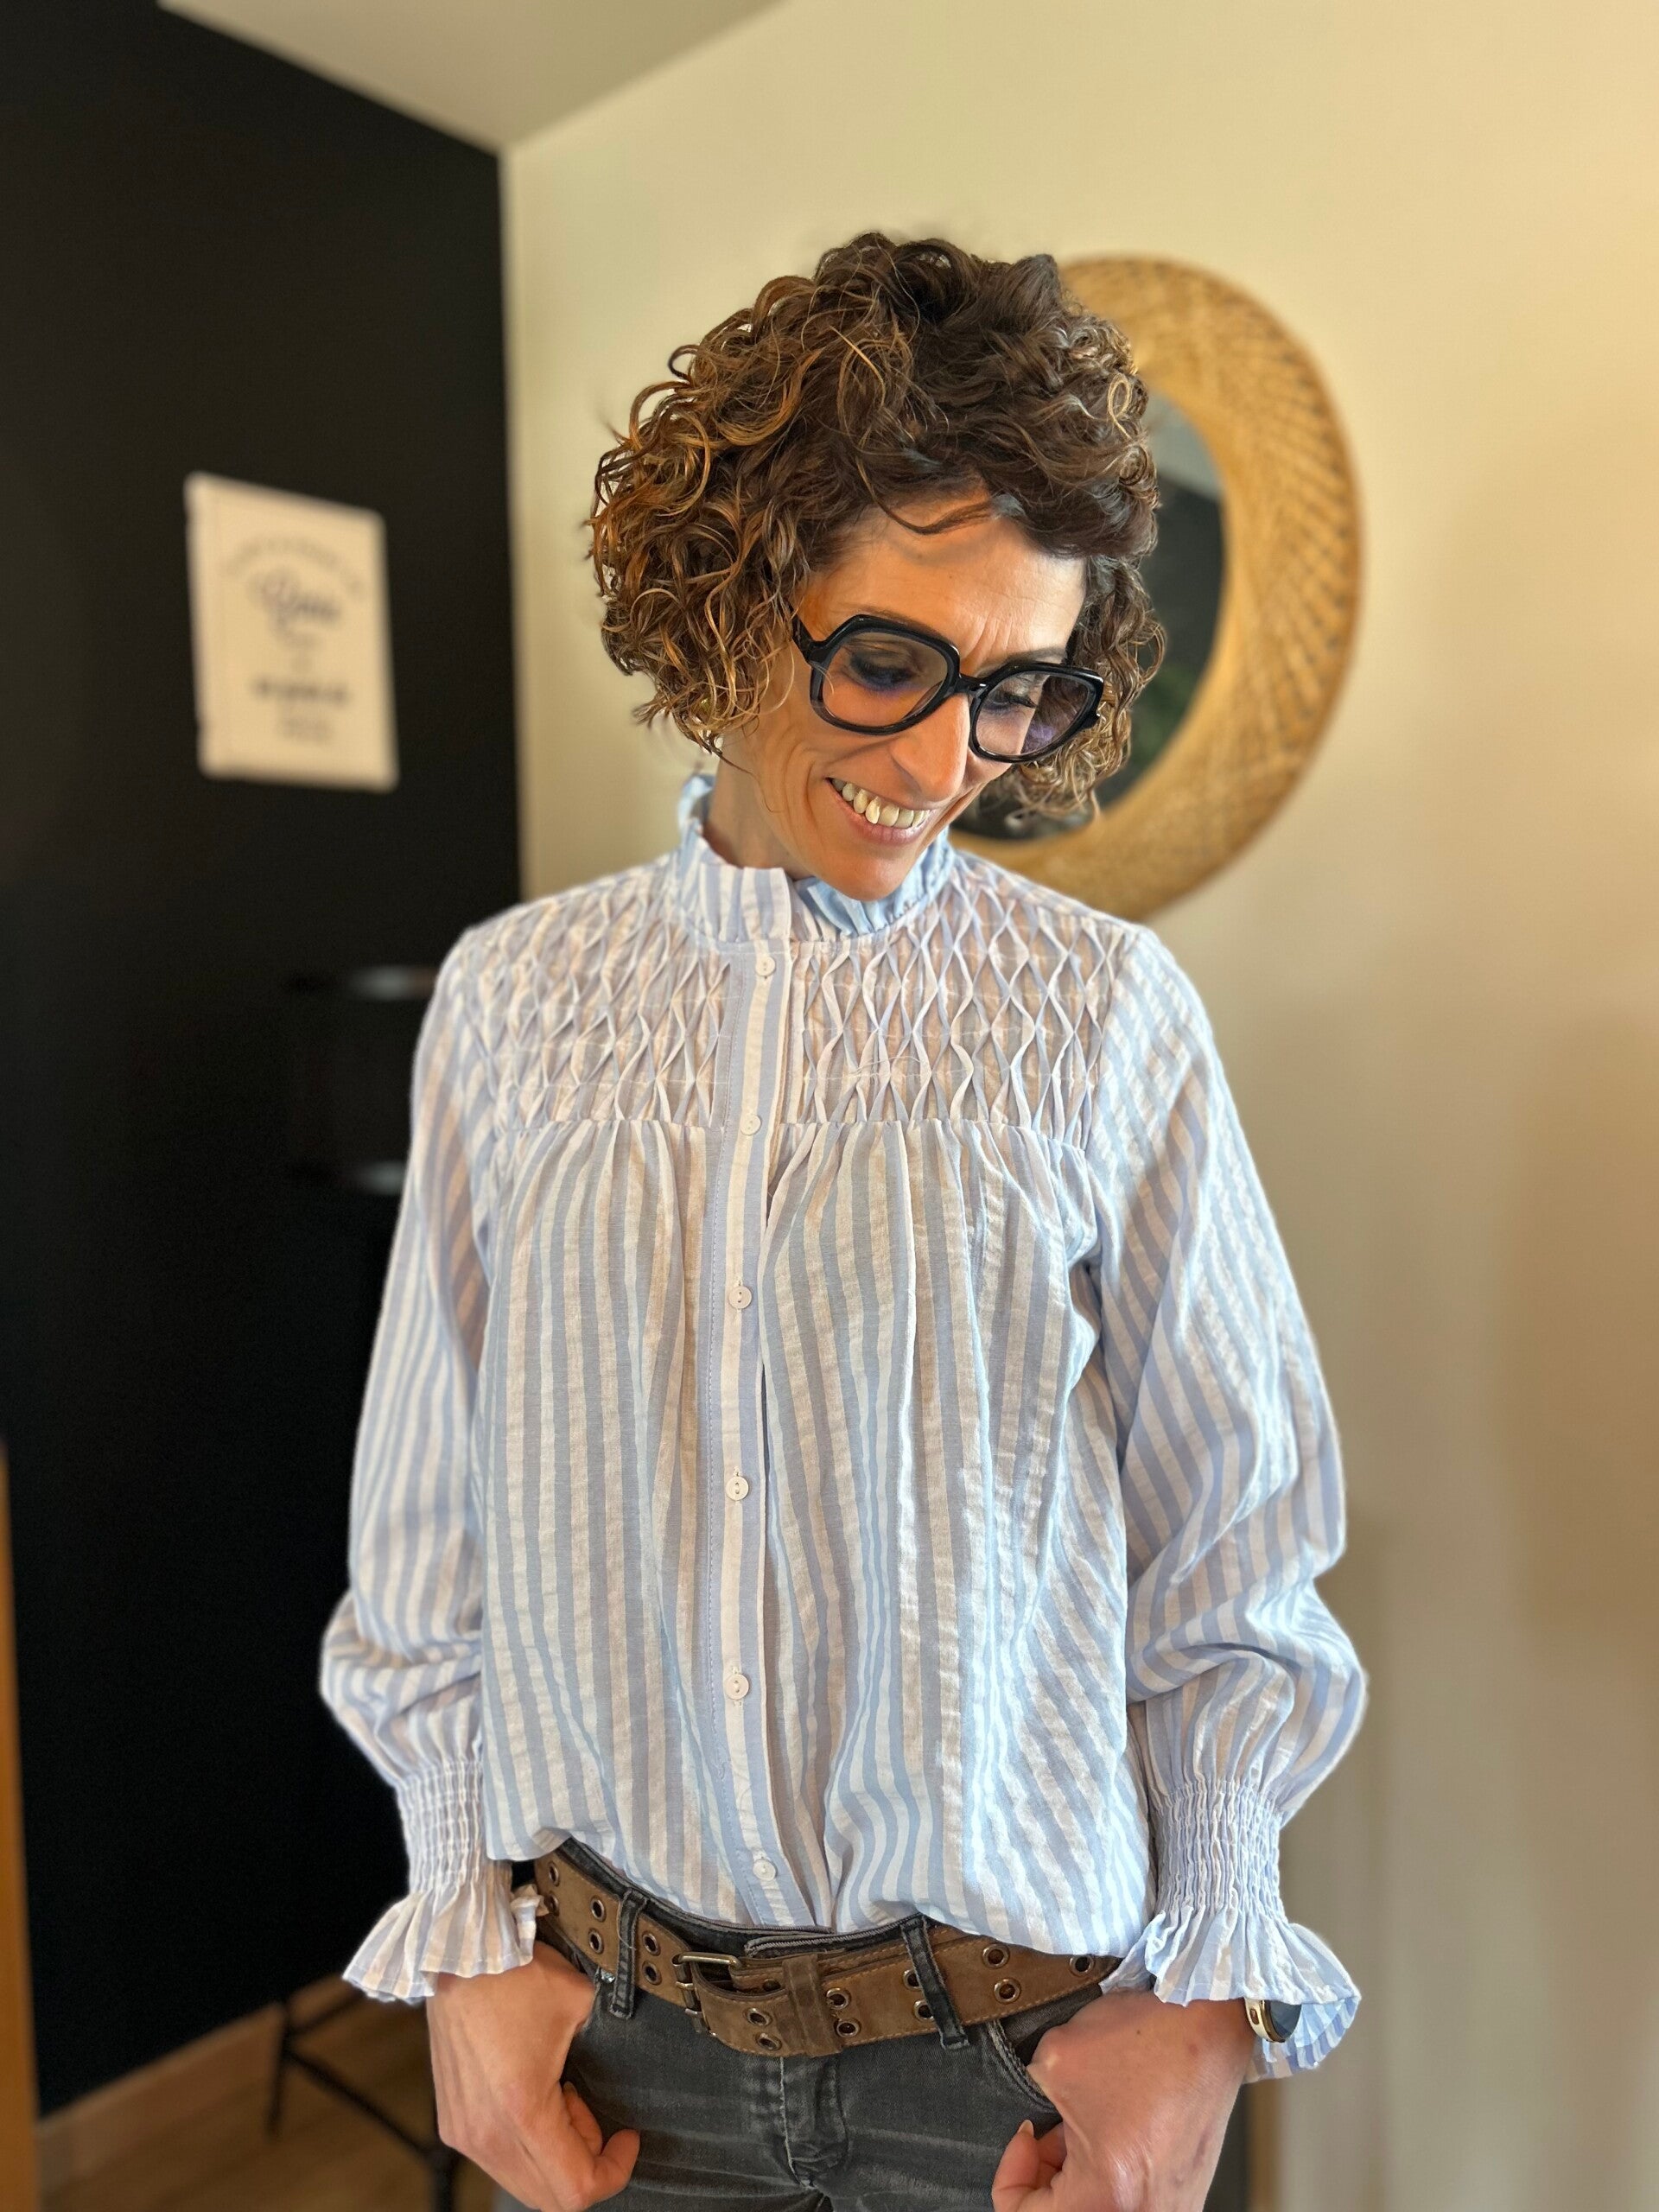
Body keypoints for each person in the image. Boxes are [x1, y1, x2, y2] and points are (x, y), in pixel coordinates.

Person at [321, 233, 1364, 2212]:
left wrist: (1203, 2000)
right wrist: (461, 1925)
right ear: (730, 595)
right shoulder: (515, 1002)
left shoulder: (1101, 1011)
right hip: (625, 2056)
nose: (945, 762)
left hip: (1022, 2068)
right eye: (888, 661)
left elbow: (1237, 1547)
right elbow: (429, 1534)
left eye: (1017, 690)